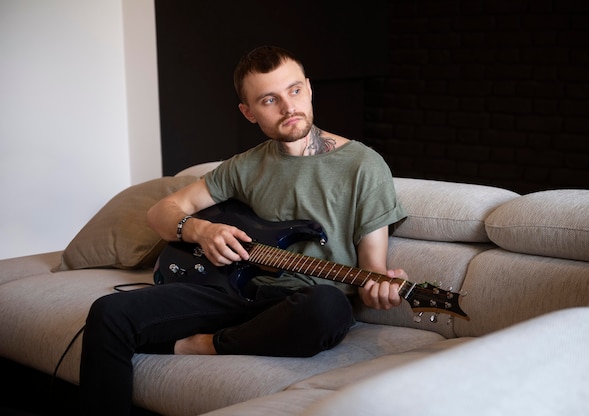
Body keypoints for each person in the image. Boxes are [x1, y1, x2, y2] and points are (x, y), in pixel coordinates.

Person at [79, 45, 407, 415]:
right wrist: (200, 231)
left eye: (295, 90)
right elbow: (161, 212)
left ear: (310, 89)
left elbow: (372, 265)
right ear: (248, 112)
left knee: (329, 307)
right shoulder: (244, 167)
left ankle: (206, 344)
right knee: (109, 313)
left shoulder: (363, 165)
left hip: (303, 305)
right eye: (269, 100)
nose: (288, 107)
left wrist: (382, 287)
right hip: (233, 291)